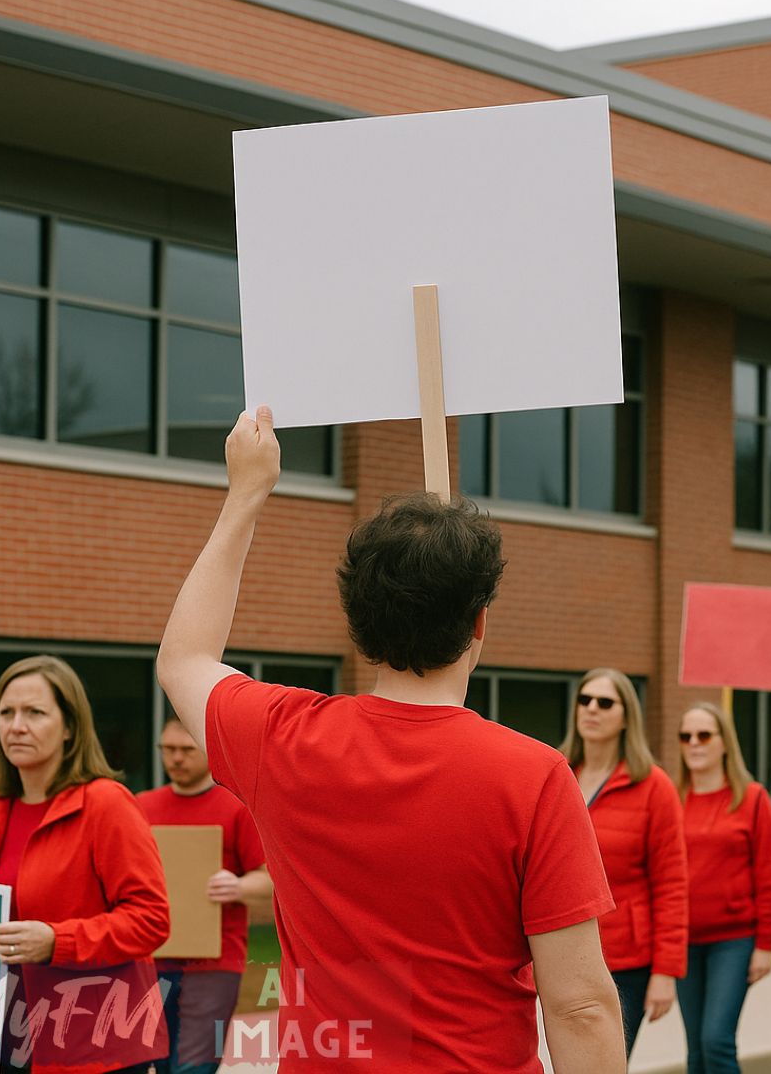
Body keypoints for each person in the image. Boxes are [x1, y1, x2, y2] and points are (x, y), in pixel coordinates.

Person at [155, 406, 626, 1073]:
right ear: (480, 621)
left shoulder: (281, 738)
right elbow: (580, 1006)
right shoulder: (536, 776)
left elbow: (183, 661)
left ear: (357, 623)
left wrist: (247, 493)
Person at [0, 654, 170, 1074]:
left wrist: (56, 942)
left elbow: (150, 920)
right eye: (6, 712)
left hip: (93, 1045)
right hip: (5, 1041)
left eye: (35, 712)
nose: (16, 725)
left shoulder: (106, 803)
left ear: (69, 728)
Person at [558, 667, 688, 1057]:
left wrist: (666, 971)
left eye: (604, 702)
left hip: (624, 959)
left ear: (626, 716)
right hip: (560, 953)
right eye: (584, 699)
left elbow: (672, 884)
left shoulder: (654, 786)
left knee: (605, 1061)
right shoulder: (558, 776)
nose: (591, 709)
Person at [138, 715, 273, 1074]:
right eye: (168, 750)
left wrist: (238, 886)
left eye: (186, 750)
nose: (176, 759)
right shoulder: (141, 807)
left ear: (208, 752)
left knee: (195, 1066)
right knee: (160, 1064)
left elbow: (271, 880)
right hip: (152, 958)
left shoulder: (236, 808)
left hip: (216, 962)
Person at [676, 701, 771, 1074]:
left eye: (704, 735)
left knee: (716, 1040)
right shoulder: (673, 799)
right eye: (686, 736)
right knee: (695, 1052)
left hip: (733, 941)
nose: (694, 743)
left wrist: (765, 946)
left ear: (724, 742)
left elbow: (769, 876)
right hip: (684, 940)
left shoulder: (751, 798)